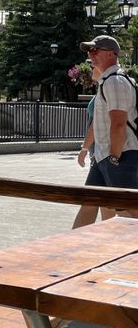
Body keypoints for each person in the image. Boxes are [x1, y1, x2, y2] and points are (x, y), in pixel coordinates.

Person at [79, 35, 138, 218]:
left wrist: (114, 157)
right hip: (104, 156)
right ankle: (74, 246)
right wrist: (86, 148)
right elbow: (98, 124)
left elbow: (119, 123)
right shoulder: (108, 81)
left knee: (130, 208)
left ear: (112, 54)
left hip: (121, 156)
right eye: (90, 51)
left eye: (96, 50)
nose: (91, 54)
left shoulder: (115, 81)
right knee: (89, 203)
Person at [72, 66, 110, 227]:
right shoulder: (103, 88)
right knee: (99, 202)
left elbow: (96, 124)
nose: (91, 68)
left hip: (106, 155)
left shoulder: (109, 87)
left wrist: (84, 148)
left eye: (94, 66)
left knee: (106, 203)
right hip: (101, 155)